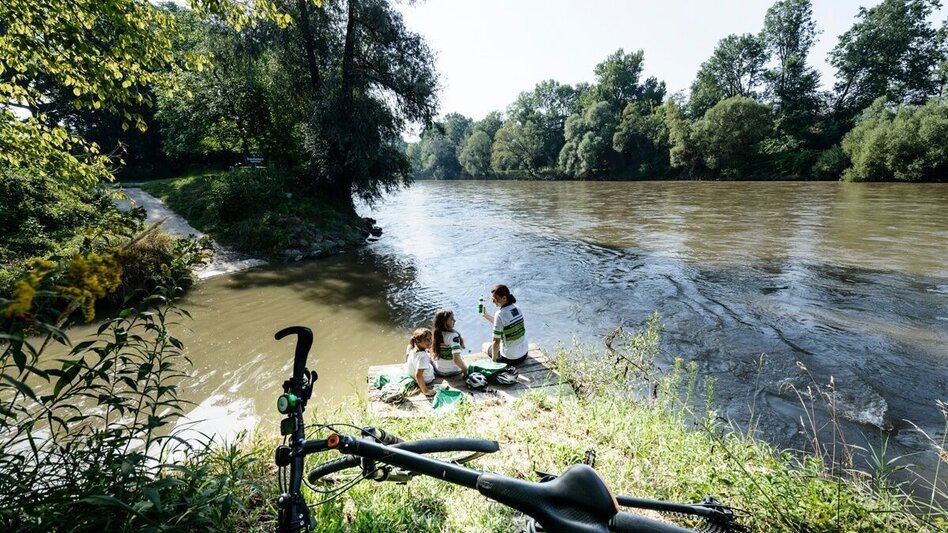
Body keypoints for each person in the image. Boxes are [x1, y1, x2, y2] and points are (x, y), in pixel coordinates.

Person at [480, 284, 529, 365]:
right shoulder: (517, 308)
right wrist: (485, 315)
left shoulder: (499, 314)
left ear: (504, 298)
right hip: (524, 354)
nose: (493, 301)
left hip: (510, 359)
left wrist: (494, 362)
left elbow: (496, 341)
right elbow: (503, 324)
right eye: (492, 299)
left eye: (495, 299)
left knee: (484, 346)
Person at [431, 309, 468, 378]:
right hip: (455, 371)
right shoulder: (454, 336)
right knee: (461, 358)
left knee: (430, 357)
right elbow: (456, 358)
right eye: (452, 319)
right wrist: (465, 371)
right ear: (444, 322)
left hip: (440, 371)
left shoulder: (436, 334)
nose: (454, 320)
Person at [404, 328, 435, 397]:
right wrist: (426, 391)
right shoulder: (423, 357)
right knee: (433, 363)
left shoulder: (413, 349)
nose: (430, 341)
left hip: (411, 375)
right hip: (426, 379)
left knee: (427, 356)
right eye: (427, 340)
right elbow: (418, 375)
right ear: (418, 341)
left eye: (430, 338)